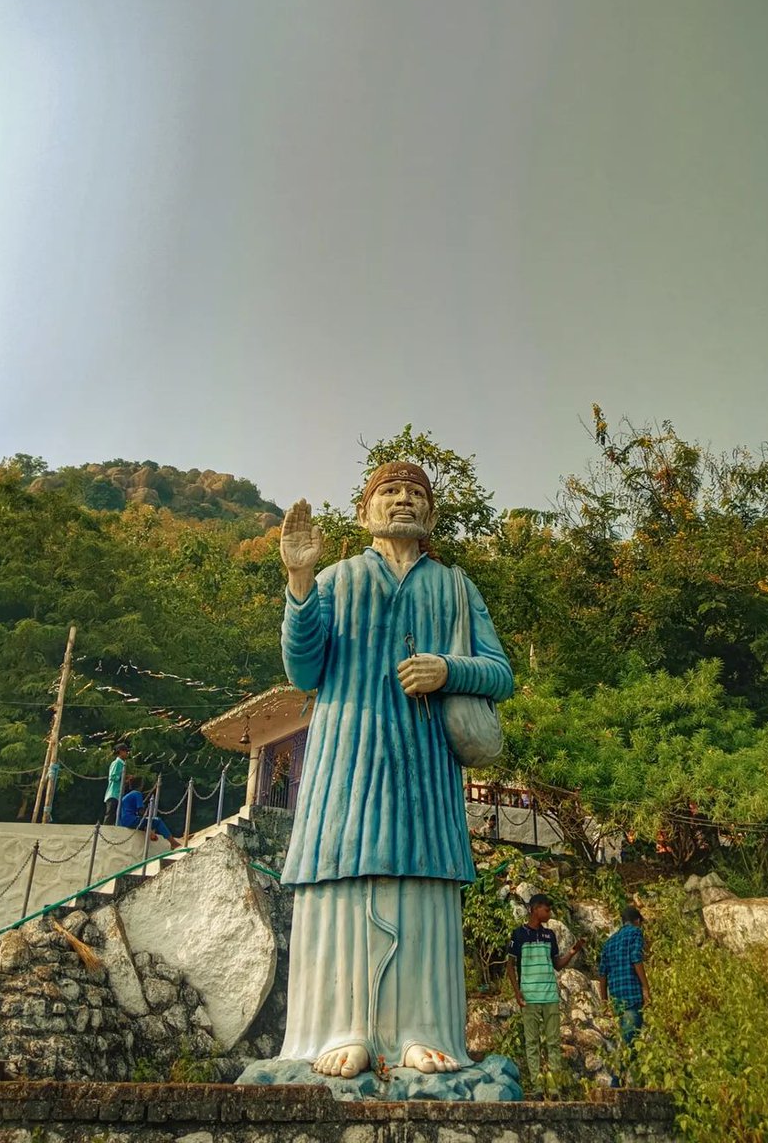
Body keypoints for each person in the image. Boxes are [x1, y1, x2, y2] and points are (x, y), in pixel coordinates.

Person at [277, 462, 514, 1079]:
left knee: (422, 886)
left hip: (424, 765)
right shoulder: (335, 580)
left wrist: (448, 669)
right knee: (341, 883)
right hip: (344, 759)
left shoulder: (456, 586)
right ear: (365, 512)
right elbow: (304, 671)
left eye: (416, 495)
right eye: (390, 492)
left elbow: (500, 672)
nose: (404, 501)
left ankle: (422, 1030)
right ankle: (338, 1027)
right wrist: (300, 583)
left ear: (430, 516)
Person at [506, 894, 585, 1096]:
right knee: (532, 1043)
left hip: (550, 995)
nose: (549, 913)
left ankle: (555, 1086)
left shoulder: (550, 935)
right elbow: (510, 965)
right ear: (534, 909)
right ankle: (537, 1086)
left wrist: (573, 951)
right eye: (546, 909)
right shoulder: (518, 934)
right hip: (529, 996)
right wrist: (517, 993)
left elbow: (557, 964)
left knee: (553, 1042)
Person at [598, 905, 650, 1081]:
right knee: (630, 1042)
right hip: (632, 996)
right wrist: (645, 988)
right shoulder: (635, 933)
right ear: (637, 921)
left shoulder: (609, 942)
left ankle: (625, 1081)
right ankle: (616, 1082)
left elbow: (602, 974)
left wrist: (605, 1002)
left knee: (627, 1039)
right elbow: (636, 958)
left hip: (617, 999)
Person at [118, 777, 181, 847]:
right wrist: (148, 814)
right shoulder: (137, 793)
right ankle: (173, 843)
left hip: (123, 822)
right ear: (141, 785)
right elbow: (140, 811)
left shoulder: (125, 796)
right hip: (131, 821)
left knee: (145, 821)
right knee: (157, 821)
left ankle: (150, 833)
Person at [103, 742, 130, 824]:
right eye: (125, 751)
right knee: (110, 814)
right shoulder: (117, 763)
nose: (127, 753)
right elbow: (113, 776)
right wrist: (124, 777)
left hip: (118, 794)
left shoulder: (122, 764)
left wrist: (126, 779)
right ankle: (105, 830)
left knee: (116, 815)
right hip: (113, 793)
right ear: (121, 752)